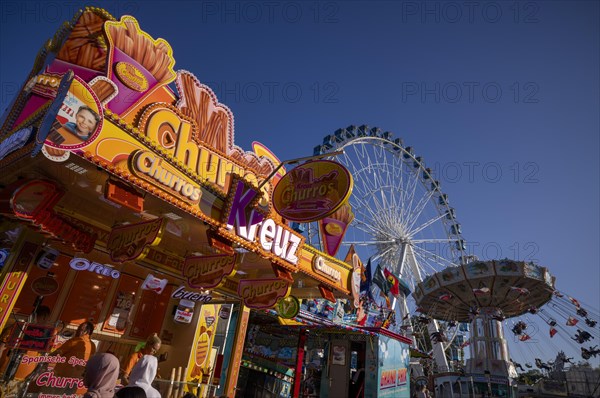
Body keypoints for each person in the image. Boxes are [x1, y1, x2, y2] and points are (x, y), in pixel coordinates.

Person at [46, 321, 97, 395]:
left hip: (63, 376)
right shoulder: (93, 346)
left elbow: (57, 353)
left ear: (87, 331)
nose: (77, 330)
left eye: (80, 329)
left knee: (56, 395)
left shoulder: (75, 341)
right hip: (77, 378)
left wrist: (45, 359)